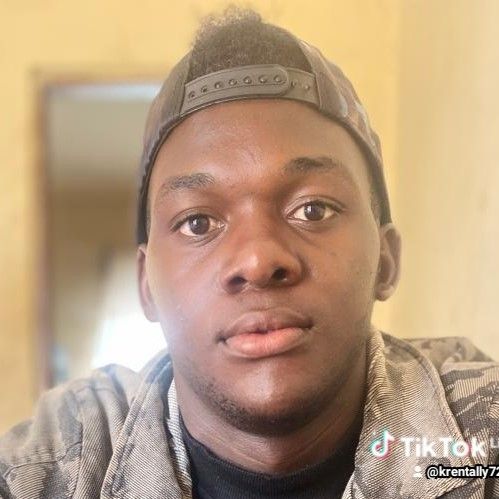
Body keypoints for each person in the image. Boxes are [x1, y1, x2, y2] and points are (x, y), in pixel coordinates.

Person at [1, 7, 499, 499]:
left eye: (313, 210)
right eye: (198, 223)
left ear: (385, 261)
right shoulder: (52, 469)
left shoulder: (483, 438)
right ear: (146, 285)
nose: (258, 261)